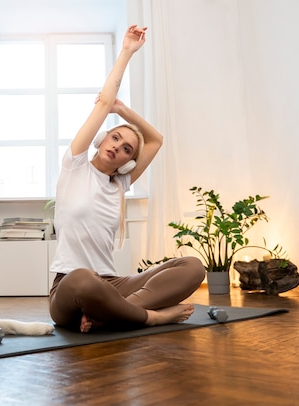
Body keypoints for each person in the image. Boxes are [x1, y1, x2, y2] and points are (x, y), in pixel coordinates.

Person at [49, 25, 205, 333]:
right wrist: (127, 52)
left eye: (126, 149)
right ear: (102, 139)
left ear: (127, 162)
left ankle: (112, 314)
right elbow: (104, 103)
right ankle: (152, 317)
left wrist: (126, 111)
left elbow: (156, 140)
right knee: (83, 278)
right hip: (70, 288)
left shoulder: (120, 183)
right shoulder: (75, 164)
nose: (117, 147)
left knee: (192, 267)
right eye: (115, 138)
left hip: (114, 285)